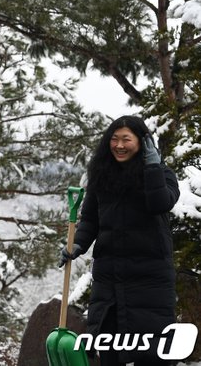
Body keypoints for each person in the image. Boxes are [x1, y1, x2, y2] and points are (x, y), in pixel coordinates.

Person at [59, 115, 180, 366]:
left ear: (142, 142)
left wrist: (152, 167)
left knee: (153, 353)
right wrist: (78, 244)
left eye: (127, 139)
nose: (119, 145)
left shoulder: (162, 174)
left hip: (150, 281)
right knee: (110, 352)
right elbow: (91, 219)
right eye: (114, 139)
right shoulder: (102, 177)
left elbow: (160, 203)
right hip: (110, 281)